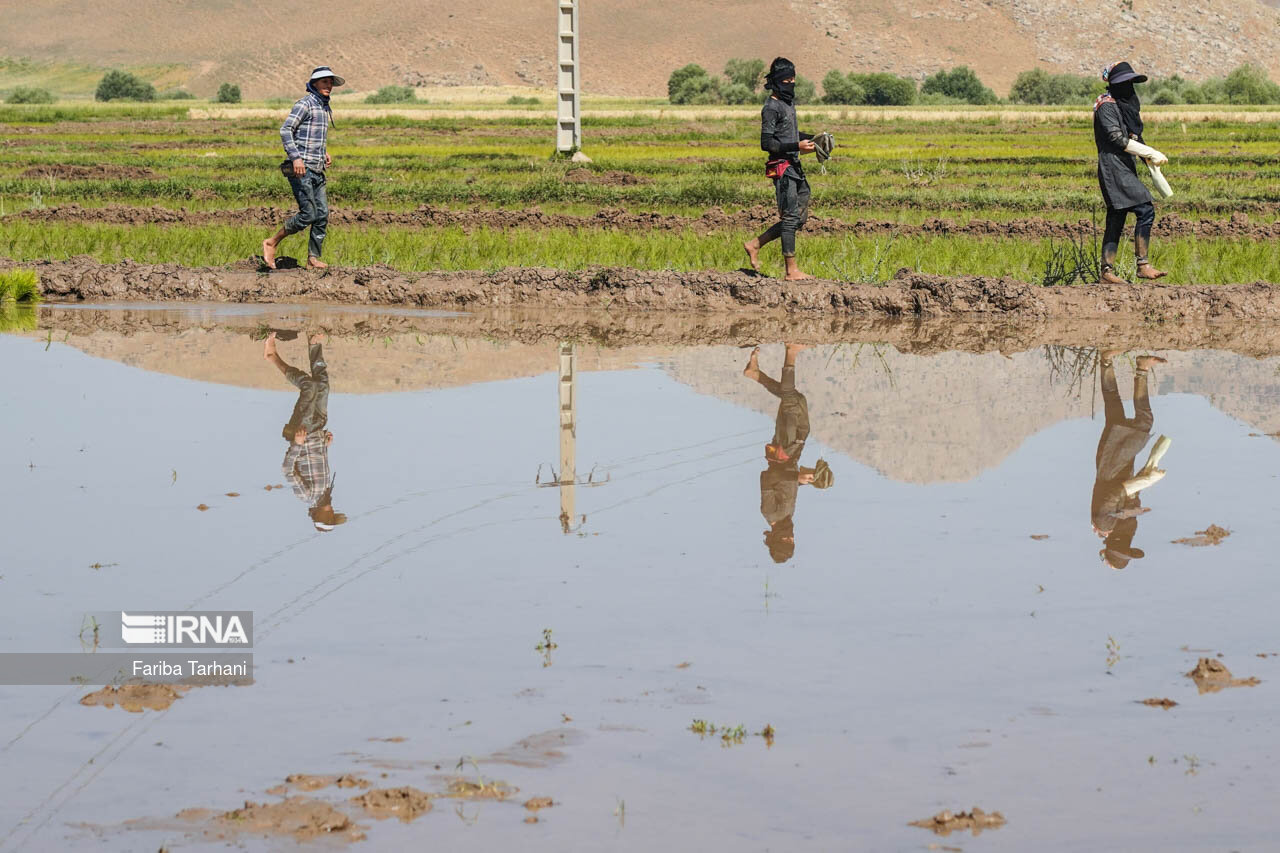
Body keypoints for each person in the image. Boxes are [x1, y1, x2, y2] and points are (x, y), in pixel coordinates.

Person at [743, 343, 834, 563]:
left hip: (783, 450)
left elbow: (767, 478)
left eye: (785, 541)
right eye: (792, 542)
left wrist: (796, 477)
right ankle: (756, 375)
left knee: (791, 401)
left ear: (774, 539)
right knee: (796, 400)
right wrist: (808, 480)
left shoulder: (770, 513)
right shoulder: (786, 517)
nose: (791, 538)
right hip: (793, 454)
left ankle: (791, 351)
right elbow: (787, 485)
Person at [1091, 350, 1171, 569]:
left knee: (1142, 421)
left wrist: (1145, 481)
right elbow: (1131, 498)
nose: (1128, 540)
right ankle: (1109, 361)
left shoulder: (1104, 523)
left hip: (1111, 465)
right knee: (1114, 410)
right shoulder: (1122, 524)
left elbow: (1115, 492)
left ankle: (1140, 368)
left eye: (1124, 546)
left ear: (1114, 543)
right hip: (1119, 465)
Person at [262, 66, 345, 270]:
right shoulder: (305, 104)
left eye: (331, 83)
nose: (329, 86)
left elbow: (312, 135)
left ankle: (313, 258)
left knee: (322, 215)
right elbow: (286, 130)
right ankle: (271, 242)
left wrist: (323, 152)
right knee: (308, 214)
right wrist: (296, 158)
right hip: (301, 169)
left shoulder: (324, 107)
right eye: (325, 82)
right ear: (314, 83)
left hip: (317, 168)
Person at [1093, 61, 1168, 284]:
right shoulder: (1106, 106)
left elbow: (1135, 138)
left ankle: (1106, 273)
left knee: (1117, 217)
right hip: (1112, 168)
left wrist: (1152, 165)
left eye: (1130, 83)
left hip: (1123, 166)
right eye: (1124, 83)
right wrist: (1150, 152)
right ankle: (1142, 265)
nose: (1128, 87)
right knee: (1145, 208)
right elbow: (1117, 139)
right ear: (1115, 85)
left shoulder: (1123, 106)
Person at [744, 57, 818, 281]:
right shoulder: (771, 108)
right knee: (789, 217)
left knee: (799, 217)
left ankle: (755, 244)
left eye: (793, 79)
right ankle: (791, 271)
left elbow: (790, 134)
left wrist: (815, 140)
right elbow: (767, 144)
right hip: (782, 168)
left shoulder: (788, 104)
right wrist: (796, 146)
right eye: (787, 80)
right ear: (777, 82)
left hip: (795, 166)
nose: (791, 83)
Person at [264, 331, 347, 531]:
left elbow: (287, 469)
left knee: (309, 386)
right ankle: (314, 345)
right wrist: (326, 444)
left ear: (316, 514)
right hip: (317, 429)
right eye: (332, 514)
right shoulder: (326, 490)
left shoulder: (307, 496)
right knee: (323, 386)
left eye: (327, 516)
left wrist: (297, 444)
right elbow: (315, 460)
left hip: (303, 429)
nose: (331, 511)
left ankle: (272, 357)